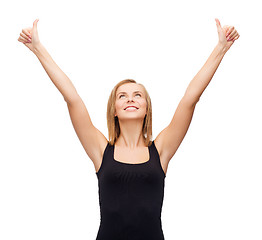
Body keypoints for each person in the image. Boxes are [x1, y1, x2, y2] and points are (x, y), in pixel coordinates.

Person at [18, 18, 240, 240]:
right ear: (114, 109)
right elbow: (72, 99)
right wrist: (38, 48)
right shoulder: (100, 150)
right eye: (122, 96)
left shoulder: (161, 150)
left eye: (137, 95)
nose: (130, 99)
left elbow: (190, 99)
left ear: (146, 108)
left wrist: (220, 48)